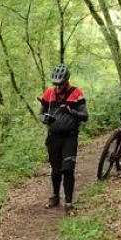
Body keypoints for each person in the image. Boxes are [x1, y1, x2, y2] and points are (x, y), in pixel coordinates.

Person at [38, 64, 88, 211]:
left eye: (60, 84)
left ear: (66, 81)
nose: (58, 87)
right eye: (56, 84)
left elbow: (85, 116)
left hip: (69, 137)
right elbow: (40, 113)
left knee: (67, 168)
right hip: (53, 137)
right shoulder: (49, 93)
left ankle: (69, 202)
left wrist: (70, 111)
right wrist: (44, 119)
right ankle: (55, 196)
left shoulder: (76, 93)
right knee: (56, 169)